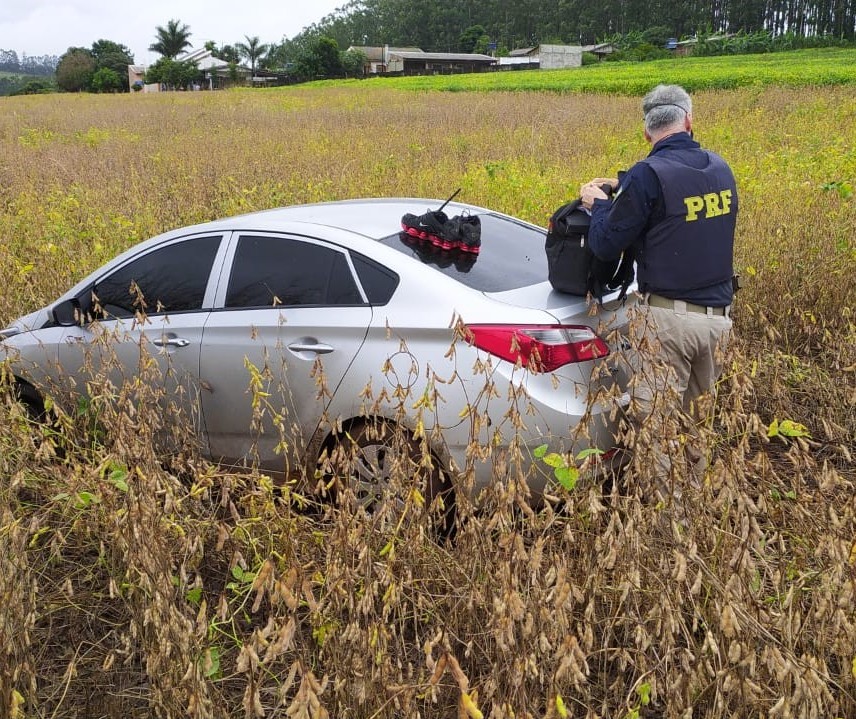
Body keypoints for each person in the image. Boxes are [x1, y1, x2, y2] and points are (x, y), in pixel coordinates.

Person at [580, 84, 738, 492]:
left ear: (647, 131)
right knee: (697, 425)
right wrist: (626, 191)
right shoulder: (721, 168)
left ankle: (669, 527)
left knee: (658, 430)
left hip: (668, 323)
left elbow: (604, 242)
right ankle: (696, 503)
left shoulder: (647, 175)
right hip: (719, 323)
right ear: (688, 119)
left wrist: (598, 203)